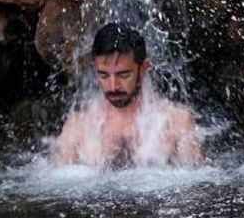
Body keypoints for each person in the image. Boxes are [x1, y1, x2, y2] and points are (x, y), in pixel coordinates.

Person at [51, 23, 203, 168]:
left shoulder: (176, 124)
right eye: (103, 75)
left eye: (123, 75)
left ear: (143, 68)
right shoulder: (78, 128)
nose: (113, 86)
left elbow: (198, 185)